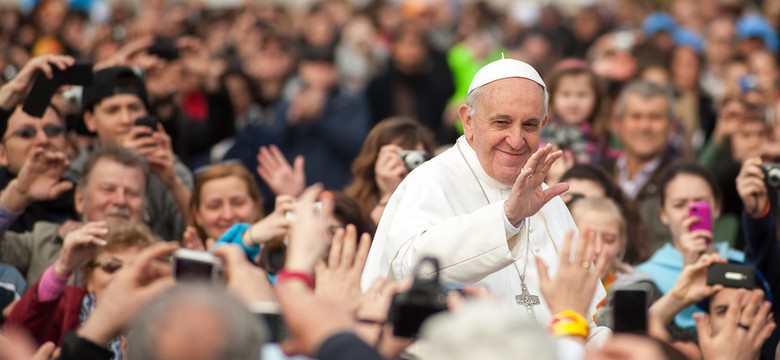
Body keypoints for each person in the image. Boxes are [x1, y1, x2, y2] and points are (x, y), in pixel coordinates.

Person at [361, 58, 608, 339]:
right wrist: (507, 218)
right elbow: (412, 270)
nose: (516, 140)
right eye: (501, 122)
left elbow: (587, 312)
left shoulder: (545, 196)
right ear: (468, 120)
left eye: (529, 125)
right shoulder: (429, 181)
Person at [66, 66, 193, 241]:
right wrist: (122, 159)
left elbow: (198, 233)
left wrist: (173, 183)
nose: (126, 119)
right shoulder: (73, 172)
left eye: (134, 108)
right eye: (113, 110)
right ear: (90, 120)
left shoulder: (167, 167)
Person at [5, 223, 158, 359]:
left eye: (137, 269)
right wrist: (62, 268)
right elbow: (16, 339)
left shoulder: (165, 317)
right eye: (112, 267)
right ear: (89, 279)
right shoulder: (66, 305)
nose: (123, 277)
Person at [0, 145, 150, 284]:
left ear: (145, 204)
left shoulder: (159, 260)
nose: (120, 201)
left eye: (132, 193)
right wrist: (18, 194)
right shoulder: (43, 242)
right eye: (108, 189)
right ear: (80, 199)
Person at [636, 163, 744, 329]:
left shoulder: (744, 262)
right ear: (663, 214)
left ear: (717, 207)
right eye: (679, 205)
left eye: (699, 203)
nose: (690, 214)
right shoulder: (645, 275)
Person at [0, 54, 79, 232]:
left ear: (67, 145)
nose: (42, 140)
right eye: (26, 133)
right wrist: (11, 92)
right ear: (2, 154)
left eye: (52, 131)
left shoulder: (89, 197)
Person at [600, 80, 679, 249]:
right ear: (618, 123)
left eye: (655, 117)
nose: (644, 126)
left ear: (672, 126)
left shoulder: (682, 181)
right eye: (636, 116)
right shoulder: (599, 173)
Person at [344, 117, 436, 223]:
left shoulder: (432, 199)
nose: (404, 165)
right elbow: (366, 237)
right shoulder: (351, 208)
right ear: (375, 160)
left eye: (415, 158)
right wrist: (390, 194)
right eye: (401, 156)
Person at [183, 162, 264, 248]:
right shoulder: (182, 259)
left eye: (238, 203)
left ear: (256, 207)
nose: (227, 215)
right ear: (197, 215)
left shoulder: (277, 256)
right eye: (214, 206)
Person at [541, 58, 606, 164]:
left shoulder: (602, 138)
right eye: (566, 94)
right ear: (551, 98)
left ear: (596, 98)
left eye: (582, 94)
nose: (574, 103)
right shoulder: (544, 135)